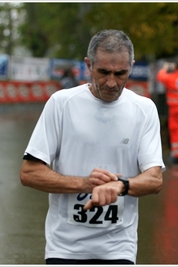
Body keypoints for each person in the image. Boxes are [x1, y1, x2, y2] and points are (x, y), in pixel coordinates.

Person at [20, 29, 165, 264]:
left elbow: (155, 179)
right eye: (103, 72)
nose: (111, 82)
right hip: (65, 248)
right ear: (88, 65)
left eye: (121, 73)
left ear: (132, 66)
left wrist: (121, 186)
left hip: (119, 248)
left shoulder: (144, 109)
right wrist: (84, 184)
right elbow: (29, 173)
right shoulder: (62, 103)